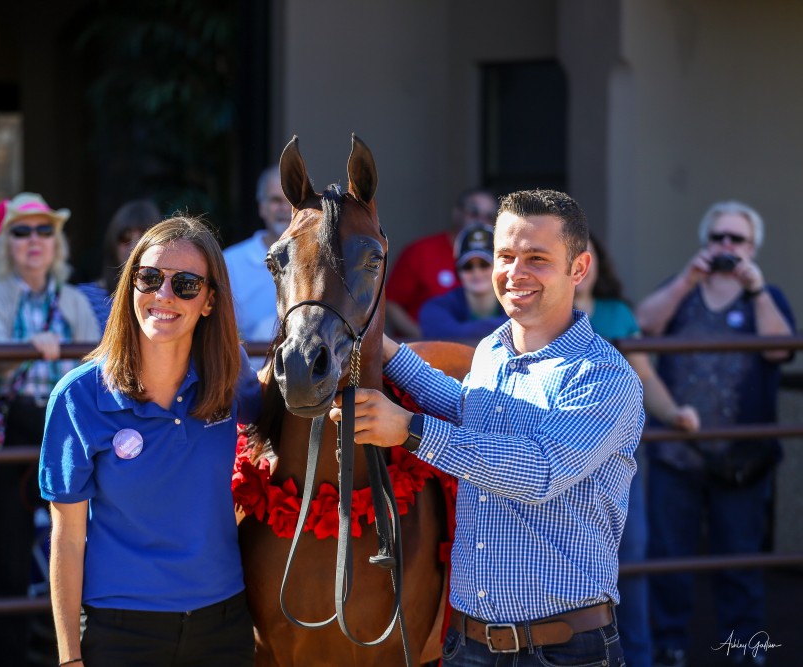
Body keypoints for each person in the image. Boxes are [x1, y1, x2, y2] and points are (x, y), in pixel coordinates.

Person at [330, 189, 644, 666]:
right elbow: (466, 408)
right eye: (505, 256)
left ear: (578, 269)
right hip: (468, 644)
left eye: (537, 258)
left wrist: (410, 430)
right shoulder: (493, 351)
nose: (515, 273)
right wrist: (381, 345)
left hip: (563, 651)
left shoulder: (604, 375)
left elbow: (541, 471)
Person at [40, 216, 261, 667]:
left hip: (224, 622)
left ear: (209, 301)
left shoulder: (230, 374)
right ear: (130, 286)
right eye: (150, 278)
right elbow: (67, 539)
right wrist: (68, 657)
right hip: (120, 629)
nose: (164, 295)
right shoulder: (78, 397)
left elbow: (290, 428)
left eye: (185, 284)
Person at [634, 201, 795, 667]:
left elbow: (781, 350)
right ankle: (669, 647)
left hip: (744, 457)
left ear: (753, 247)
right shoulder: (681, 287)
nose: (726, 247)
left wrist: (756, 288)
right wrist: (687, 280)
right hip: (676, 452)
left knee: (740, 560)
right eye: (718, 238)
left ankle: (745, 648)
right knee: (669, 558)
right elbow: (643, 325)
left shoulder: (766, 295)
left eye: (736, 239)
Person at [0, 192, 99, 667]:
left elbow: (99, 366)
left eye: (44, 230)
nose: (34, 240)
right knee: (6, 563)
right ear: (3, 243)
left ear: (57, 242)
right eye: (21, 231)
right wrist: (32, 345)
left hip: (68, 431)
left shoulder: (73, 299)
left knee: (92, 550)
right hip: (7, 432)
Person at [574, 234, 700, 667]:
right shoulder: (537, 315)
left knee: (631, 562)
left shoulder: (617, 313)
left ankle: (638, 658)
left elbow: (644, 377)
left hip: (617, 465)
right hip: (560, 461)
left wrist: (674, 413)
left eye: (585, 256)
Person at [385, 187, 497, 338]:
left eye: (489, 216)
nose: (481, 220)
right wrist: (424, 342)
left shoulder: (503, 255)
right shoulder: (420, 251)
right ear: (457, 213)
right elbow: (391, 302)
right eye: (474, 212)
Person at [223, 165, 292, 343]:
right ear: (262, 207)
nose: (285, 208)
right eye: (276, 200)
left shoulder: (324, 260)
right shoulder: (230, 262)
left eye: (292, 199)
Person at [77, 198, 162, 331]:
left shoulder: (166, 298)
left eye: (143, 238)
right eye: (125, 237)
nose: (133, 247)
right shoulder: (83, 298)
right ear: (113, 242)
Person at [418, 222, 508, 341]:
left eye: (484, 264)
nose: (477, 273)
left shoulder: (519, 304)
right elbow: (449, 335)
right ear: (458, 272)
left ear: (500, 267)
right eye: (468, 266)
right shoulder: (434, 308)